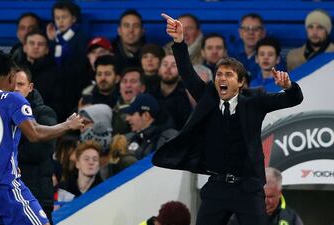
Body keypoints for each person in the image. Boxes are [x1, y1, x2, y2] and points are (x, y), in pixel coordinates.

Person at [153, 13, 303, 225]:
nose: (222, 78)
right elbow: (187, 74)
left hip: (248, 189)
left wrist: (289, 86)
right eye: (219, 75)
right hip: (217, 186)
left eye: (228, 75)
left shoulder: (255, 101)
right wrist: (179, 42)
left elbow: (294, 99)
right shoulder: (208, 99)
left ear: (241, 82)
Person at [0, 50, 84, 225]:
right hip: (7, 189)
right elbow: (34, 134)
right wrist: (67, 125)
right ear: (11, 77)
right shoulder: (13, 100)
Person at [14, 68, 57, 224]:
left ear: (30, 87)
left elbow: (40, 150)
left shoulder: (45, 114)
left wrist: (7, 153)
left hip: (36, 197)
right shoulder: (0, 114)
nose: (16, 88)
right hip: (9, 197)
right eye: (12, 84)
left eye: (20, 84)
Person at [228, 167, 304, 225]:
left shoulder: (291, 218)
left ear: (279, 193)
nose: (264, 201)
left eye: (270, 196)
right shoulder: (237, 215)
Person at [123, 93, 177, 160]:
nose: (127, 118)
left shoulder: (167, 138)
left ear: (146, 116)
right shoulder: (128, 138)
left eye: (131, 114)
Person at [229, 13, 266, 81]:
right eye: (246, 29)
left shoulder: (271, 55)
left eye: (255, 29)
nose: (251, 32)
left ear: (263, 32)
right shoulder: (230, 54)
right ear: (240, 32)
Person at [112, 67, 146, 135]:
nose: (128, 85)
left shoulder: (150, 111)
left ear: (142, 88)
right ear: (119, 89)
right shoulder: (112, 111)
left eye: (133, 81)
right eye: (124, 81)